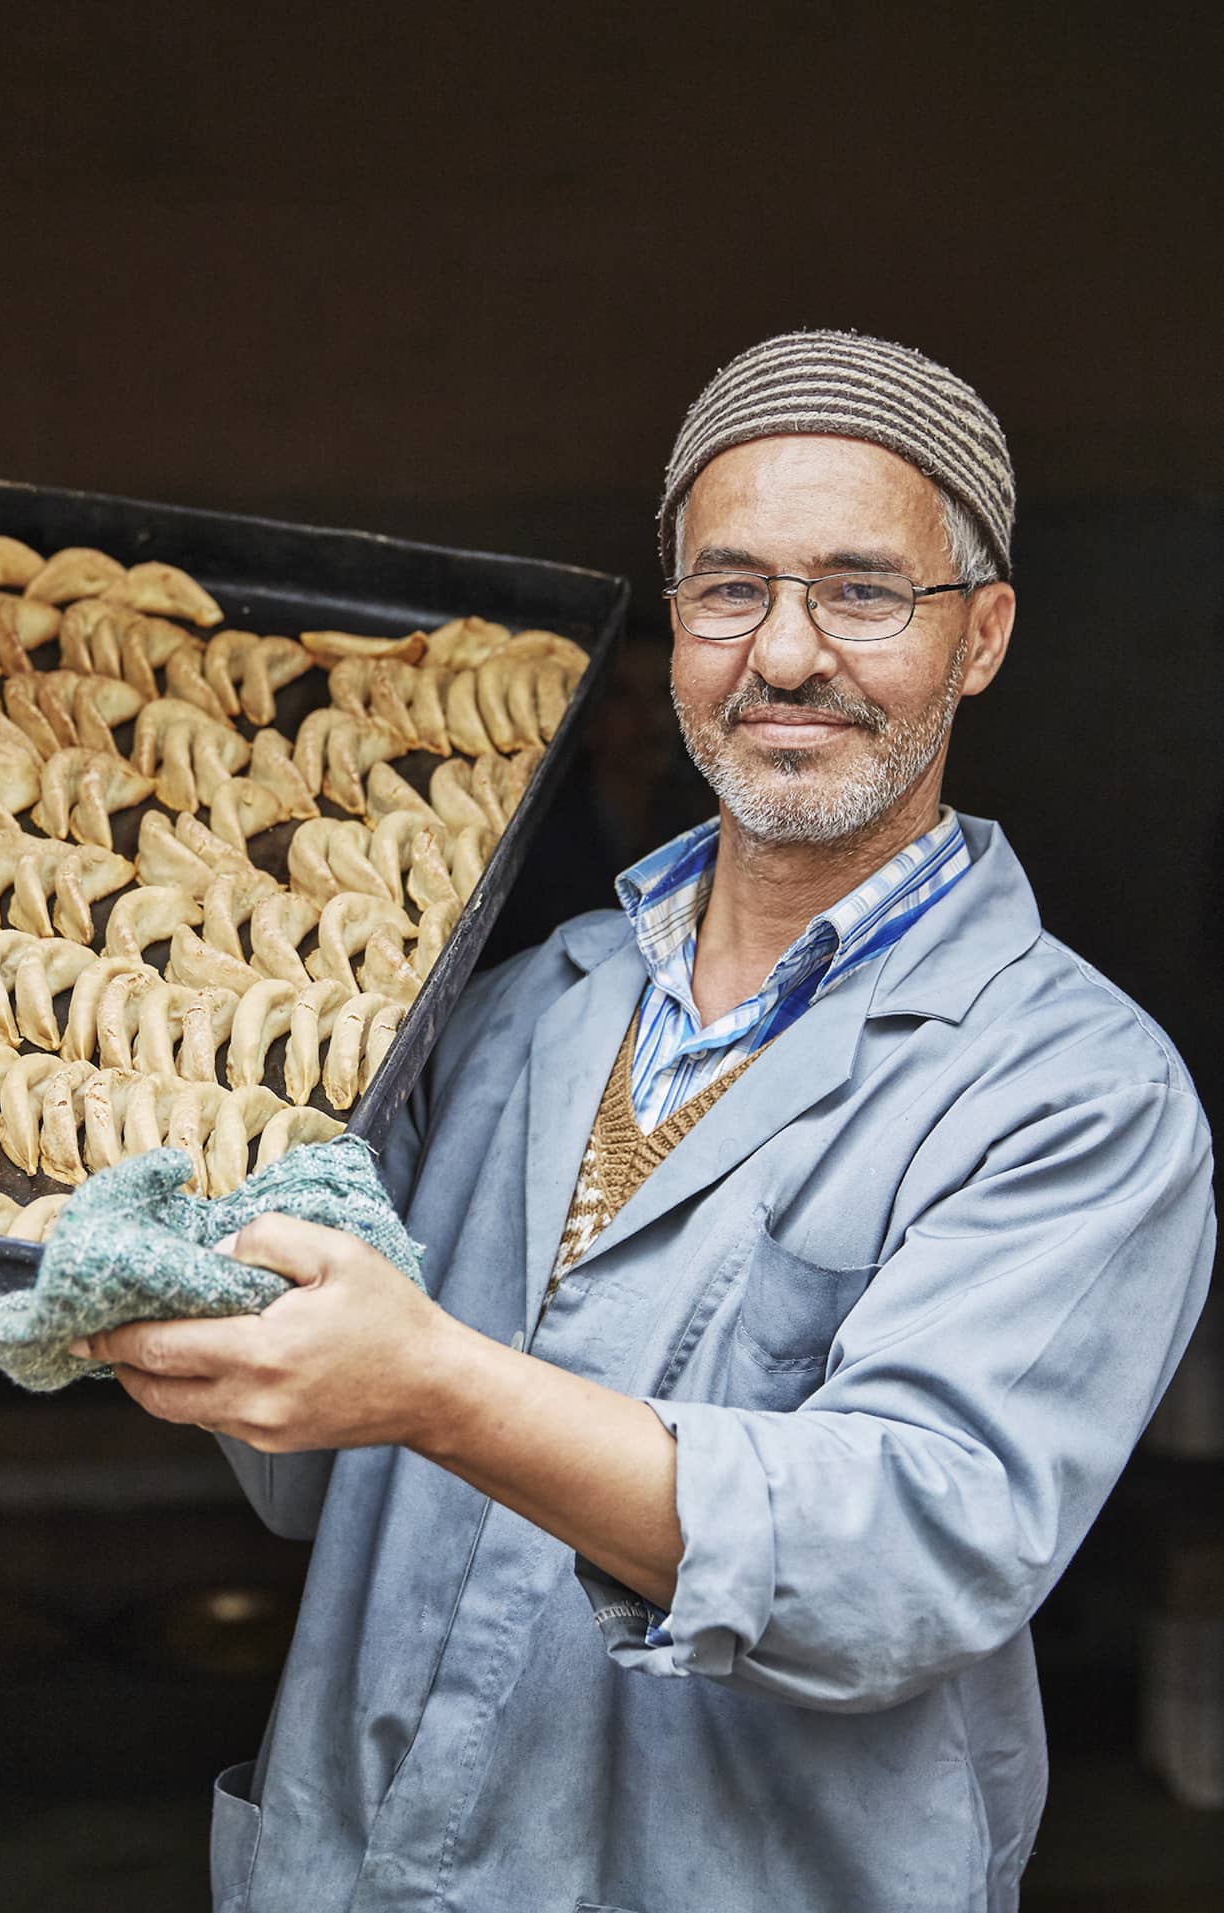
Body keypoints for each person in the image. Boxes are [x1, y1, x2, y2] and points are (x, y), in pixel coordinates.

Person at [73, 331, 1215, 1913]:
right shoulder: (521, 1004)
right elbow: (314, 1465)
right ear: (673, 625)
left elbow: (903, 1554)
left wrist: (435, 1385)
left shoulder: (1069, 1090)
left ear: (982, 636)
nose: (788, 652)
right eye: (728, 589)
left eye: (862, 591)